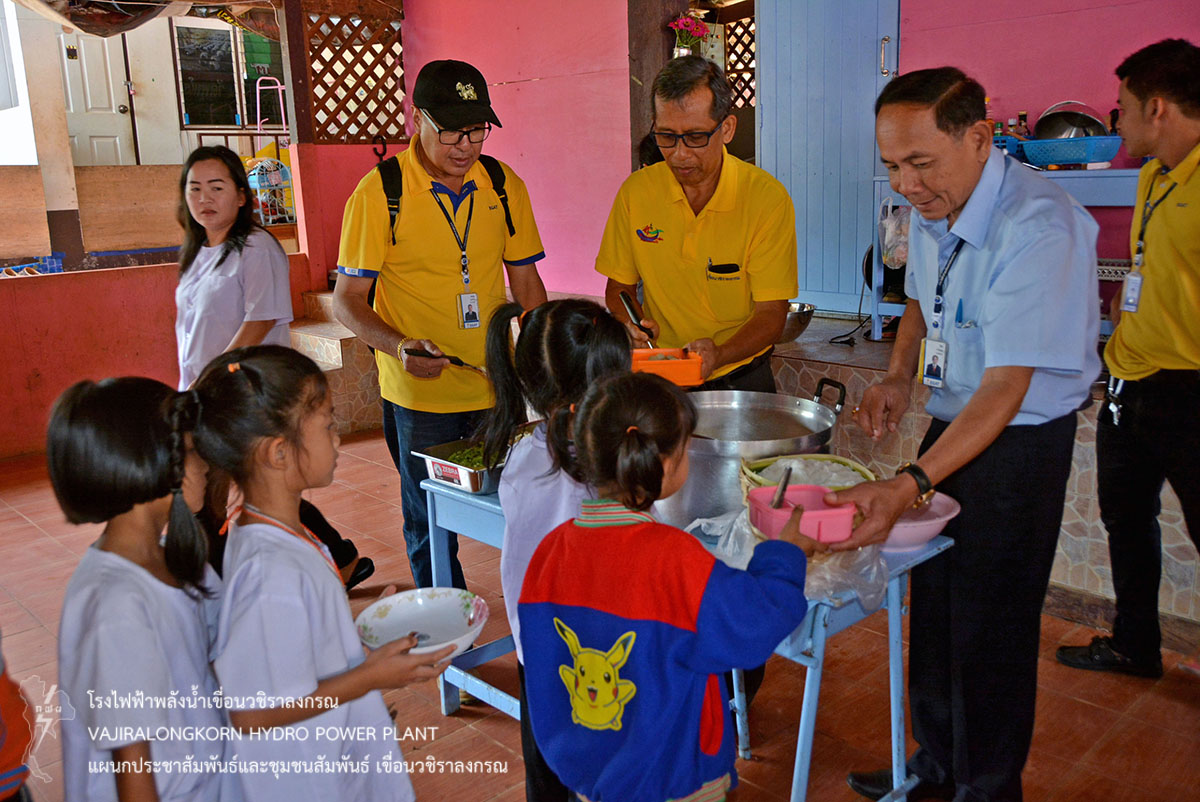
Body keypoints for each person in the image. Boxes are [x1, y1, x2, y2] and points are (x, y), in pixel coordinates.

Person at [832, 68, 1100, 802]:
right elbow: (921, 299)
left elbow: (1007, 388)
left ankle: (986, 788)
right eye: (892, 165)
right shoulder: (934, 207)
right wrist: (897, 375)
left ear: (980, 138)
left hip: (1018, 446)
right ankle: (937, 769)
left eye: (920, 162)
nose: (907, 184)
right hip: (954, 425)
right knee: (936, 609)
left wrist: (910, 482)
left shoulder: (1040, 226)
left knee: (992, 630)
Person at [518, 372, 820, 802]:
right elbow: (754, 623)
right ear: (664, 465)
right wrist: (784, 554)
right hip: (675, 783)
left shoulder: (548, 554)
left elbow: (545, 669)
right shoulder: (675, 559)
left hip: (591, 783)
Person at [191, 345, 454, 802]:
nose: (337, 439)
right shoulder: (268, 570)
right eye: (328, 424)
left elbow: (291, 640)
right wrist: (370, 676)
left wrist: (355, 629)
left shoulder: (282, 533)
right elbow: (250, 715)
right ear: (278, 452)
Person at [333, 59, 548, 590]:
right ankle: (446, 618)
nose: (465, 145)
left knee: (520, 504)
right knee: (428, 518)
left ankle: (530, 610)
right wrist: (399, 346)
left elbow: (526, 282)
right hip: (419, 394)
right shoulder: (380, 193)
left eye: (477, 130)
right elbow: (347, 301)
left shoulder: (502, 185)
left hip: (493, 381)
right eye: (451, 130)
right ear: (418, 119)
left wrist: (541, 357)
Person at [1057, 39, 1200, 679]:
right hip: (1129, 378)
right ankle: (1134, 645)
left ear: (1157, 108)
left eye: (1122, 107)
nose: (1118, 121)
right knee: (1126, 517)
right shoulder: (1153, 175)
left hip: (1189, 388)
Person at [176, 145, 374, 592]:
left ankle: (215, 592)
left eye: (217, 187)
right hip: (204, 393)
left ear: (241, 195)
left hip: (243, 395)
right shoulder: (197, 252)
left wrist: (208, 384)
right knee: (253, 488)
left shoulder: (256, 247)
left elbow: (258, 321)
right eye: (195, 188)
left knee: (219, 493)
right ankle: (338, 556)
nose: (204, 198)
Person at [48, 377, 235, 801]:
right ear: (148, 463)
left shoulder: (180, 564)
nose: (205, 465)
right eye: (191, 451)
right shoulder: (116, 606)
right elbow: (133, 770)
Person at [481, 299, 631, 802]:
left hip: (538, 647)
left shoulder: (524, 456)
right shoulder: (604, 469)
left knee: (545, 770)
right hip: (596, 661)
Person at [596, 56, 798, 391]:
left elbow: (772, 315)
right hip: (662, 374)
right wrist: (629, 325)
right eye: (666, 136)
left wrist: (720, 354)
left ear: (727, 129)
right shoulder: (636, 193)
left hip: (739, 377)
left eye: (695, 137)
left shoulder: (766, 199)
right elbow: (619, 288)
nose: (679, 154)